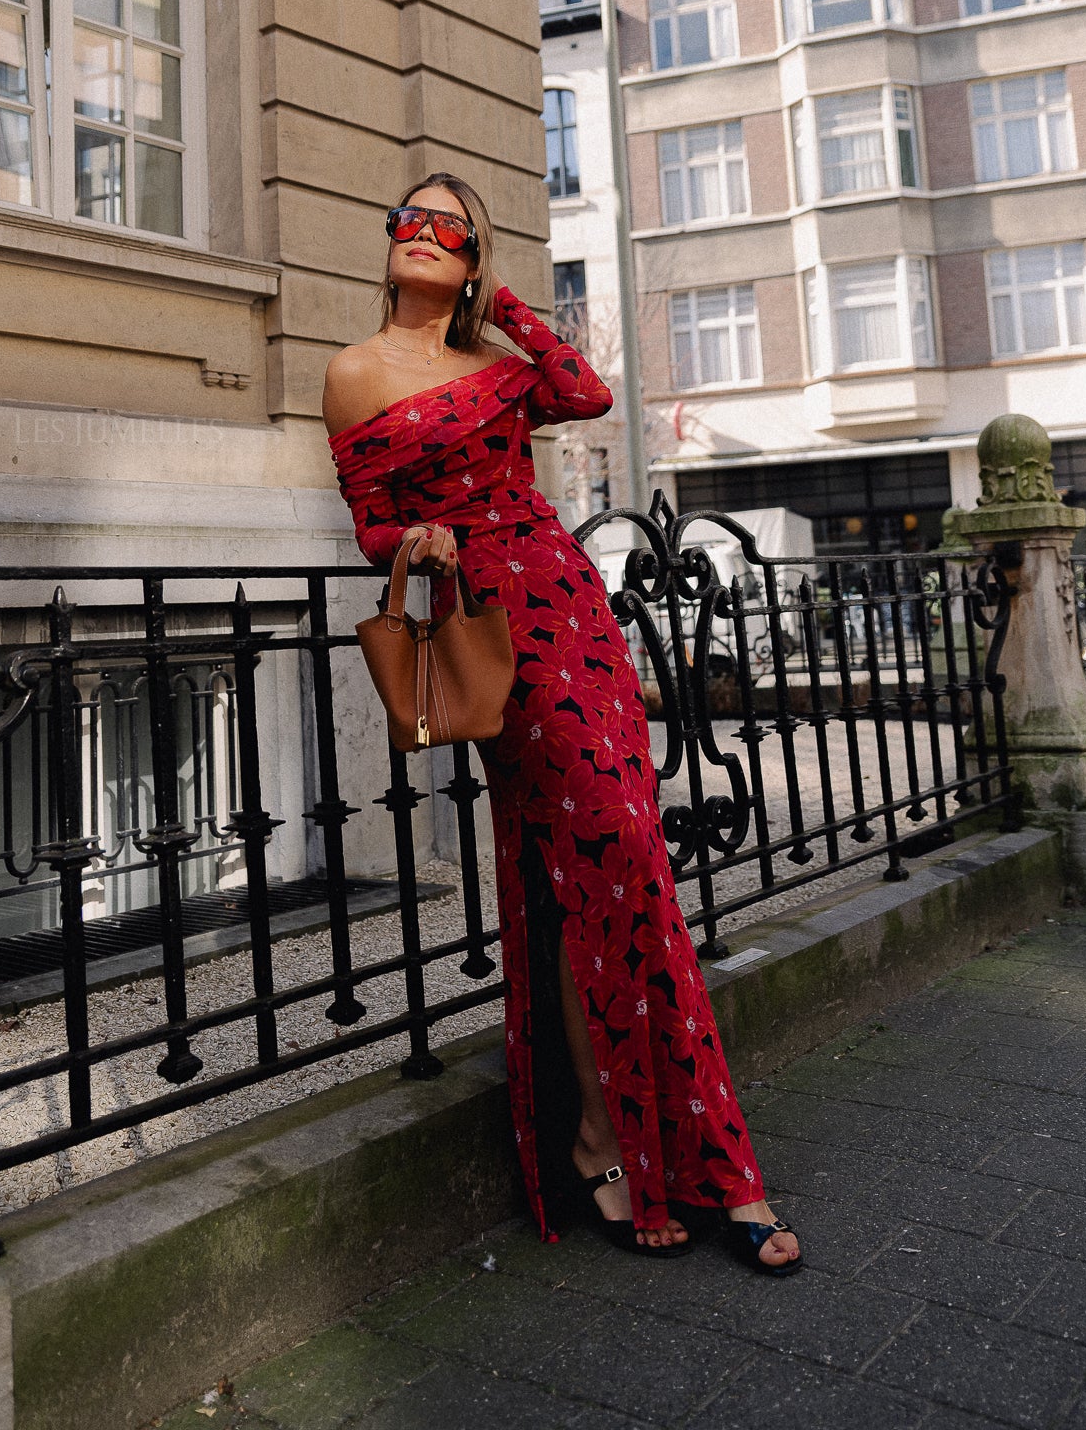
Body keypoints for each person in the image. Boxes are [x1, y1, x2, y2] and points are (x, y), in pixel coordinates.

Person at [322, 173, 801, 1271]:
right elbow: (367, 521)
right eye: (408, 219)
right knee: (613, 855)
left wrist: (510, 311)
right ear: (387, 242)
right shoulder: (354, 372)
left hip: (571, 598)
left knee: (612, 868)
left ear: (474, 257)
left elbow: (583, 391)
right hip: (491, 616)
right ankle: (655, 1148)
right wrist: (415, 541)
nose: (424, 235)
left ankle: (647, 1144)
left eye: (452, 228)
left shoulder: (498, 365)